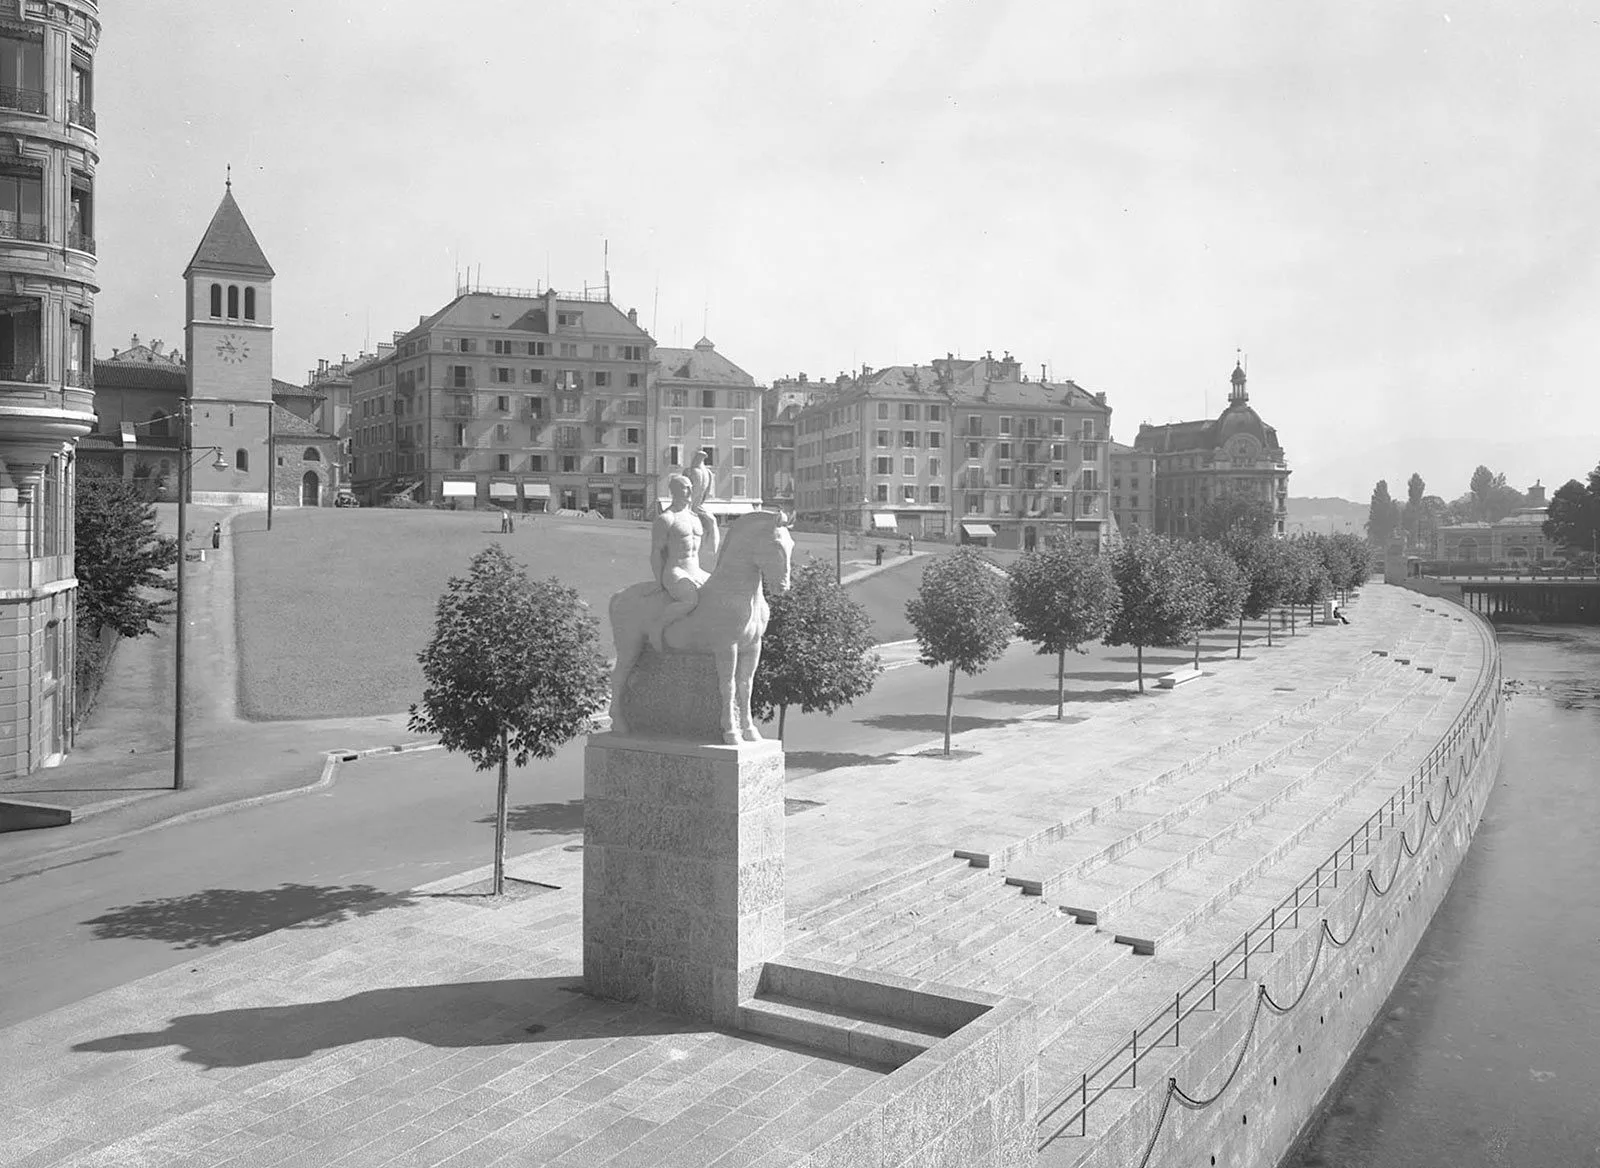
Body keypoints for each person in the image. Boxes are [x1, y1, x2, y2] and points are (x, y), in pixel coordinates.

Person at [647, 474, 719, 651]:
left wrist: (713, 524)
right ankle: (656, 627)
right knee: (690, 599)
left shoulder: (696, 518)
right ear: (673, 491)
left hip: (696, 570)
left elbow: (712, 549)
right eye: (684, 487)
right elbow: (656, 552)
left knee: (719, 593)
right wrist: (659, 580)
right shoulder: (667, 518)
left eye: (690, 487)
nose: (688, 491)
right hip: (676, 571)